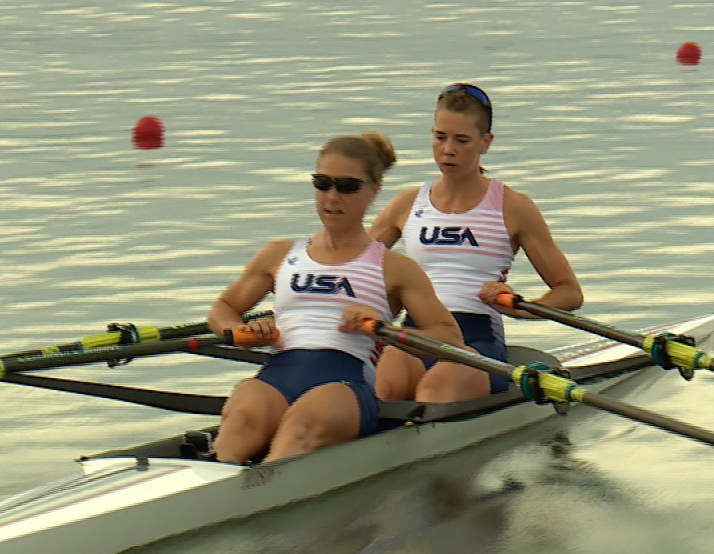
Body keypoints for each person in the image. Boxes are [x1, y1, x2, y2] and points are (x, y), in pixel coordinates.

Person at [206, 131, 464, 466]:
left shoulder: (395, 268)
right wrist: (243, 333)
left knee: (300, 427)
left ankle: (265, 496)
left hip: (344, 385)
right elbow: (221, 310)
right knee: (239, 424)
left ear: (373, 191)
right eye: (322, 183)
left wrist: (380, 328)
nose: (332, 196)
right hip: (277, 374)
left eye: (347, 186)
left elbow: (449, 338)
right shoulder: (278, 255)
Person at [368, 83, 583, 403]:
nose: (448, 150)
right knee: (382, 388)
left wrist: (521, 309)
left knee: (433, 392)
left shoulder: (513, 207)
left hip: (477, 344)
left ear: (486, 143)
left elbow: (569, 291)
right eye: (440, 137)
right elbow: (350, 270)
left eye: (461, 140)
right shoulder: (405, 204)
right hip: (413, 335)